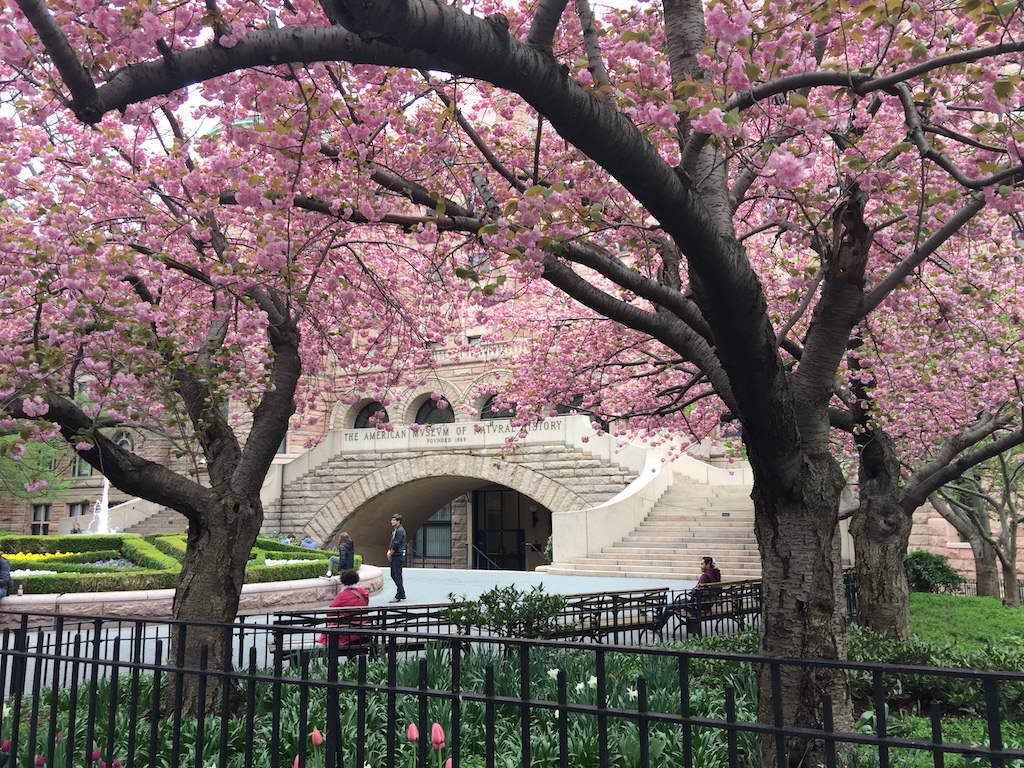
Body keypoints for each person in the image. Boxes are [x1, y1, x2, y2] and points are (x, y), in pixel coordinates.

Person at [654, 556, 722, 634]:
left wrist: (690, 595)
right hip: (707, 604)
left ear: (708, 565)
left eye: (702, 564)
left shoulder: (705, 576)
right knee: (672, 606)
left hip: (698, 604)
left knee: (669, 606)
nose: (700, 566)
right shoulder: (716, 574)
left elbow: (697, 589)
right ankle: (659, 623)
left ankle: (659, 626)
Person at [316, 570, 371, 649]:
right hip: (364, 632)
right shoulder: (363, 593)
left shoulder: (342, 595)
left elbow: (330, 613)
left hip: (347, 635)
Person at [386, 513, 407, 603]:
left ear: (398, 521)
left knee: (397, 575)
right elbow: (393, 542)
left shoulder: (400, 531)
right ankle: (401, 592)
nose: (392, 521)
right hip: (395, 555)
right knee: (393, 574)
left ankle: (399, 594)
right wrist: (389, 550)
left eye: (394, 520)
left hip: (398, 555)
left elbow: (397, 543)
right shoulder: (396, 530)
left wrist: (391, 552)